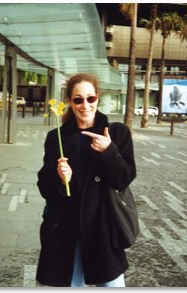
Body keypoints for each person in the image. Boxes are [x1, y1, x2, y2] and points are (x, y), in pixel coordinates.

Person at [36, 73, 136, 287]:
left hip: (103, 227)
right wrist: (63, 179)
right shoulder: (57, 138)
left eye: (90, 98)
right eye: (78, 99)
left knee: (112, 285)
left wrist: (109, 151)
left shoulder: (117, 132)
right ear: (70, 102)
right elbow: (45, 188)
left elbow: (124, 179)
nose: (85, 105)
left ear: (97, 98)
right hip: (65, 228)